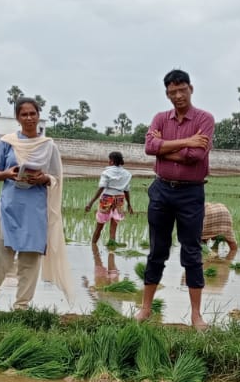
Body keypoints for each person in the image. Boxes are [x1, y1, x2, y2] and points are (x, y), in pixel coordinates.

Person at [0, 97, 73, 315]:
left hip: (35, 208)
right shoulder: (7, 142)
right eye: (24, 114)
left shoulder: (48, 146)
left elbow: (56, 177)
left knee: (30, 259)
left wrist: (44, 179)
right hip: (10, 206)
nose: (29, 118)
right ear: (17, 118)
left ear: (39, 115)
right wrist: (7, 174)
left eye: (33, 114)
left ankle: (21, 306)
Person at [138, 68, 215, 328]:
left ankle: (196, 315)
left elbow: (196, 156)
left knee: (191, 251)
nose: (178, 96)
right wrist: (187, 141)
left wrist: (164, 149)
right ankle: (145, 308)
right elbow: (149, 147)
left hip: (190, 193)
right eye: (173, 92)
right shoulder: (160, 118)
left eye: (182, 90)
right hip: (161, 189)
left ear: (191, 89)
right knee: (157, 249)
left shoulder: (205, 119)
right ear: (167, 94)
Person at [86, 151, 134, 246]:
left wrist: (90, 203)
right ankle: (111, 250)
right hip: (119, 199)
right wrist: (129, 204)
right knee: (114, 227)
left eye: (109, 160)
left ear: (111, 161)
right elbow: (126, 190)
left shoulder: (107, 172)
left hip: (107, 198)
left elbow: (101, 188)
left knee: (99, 226)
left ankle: (93, 246)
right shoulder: (127, 174)